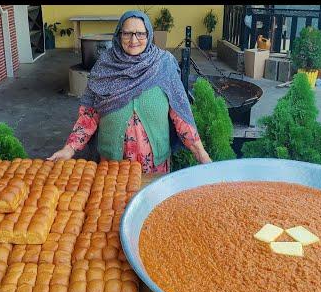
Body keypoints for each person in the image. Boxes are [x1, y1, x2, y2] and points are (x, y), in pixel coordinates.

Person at [47, 10, 211, 173]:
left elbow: (180, 115)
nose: (134, 40)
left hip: (154, 168)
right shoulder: (104, 66)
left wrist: (201, 154)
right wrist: (69, 148)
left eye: (140, 33)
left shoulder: (163, 65)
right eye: (127, 33)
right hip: (112, 167)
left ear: (149, 35)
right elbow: (89, 116)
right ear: (119, 35)